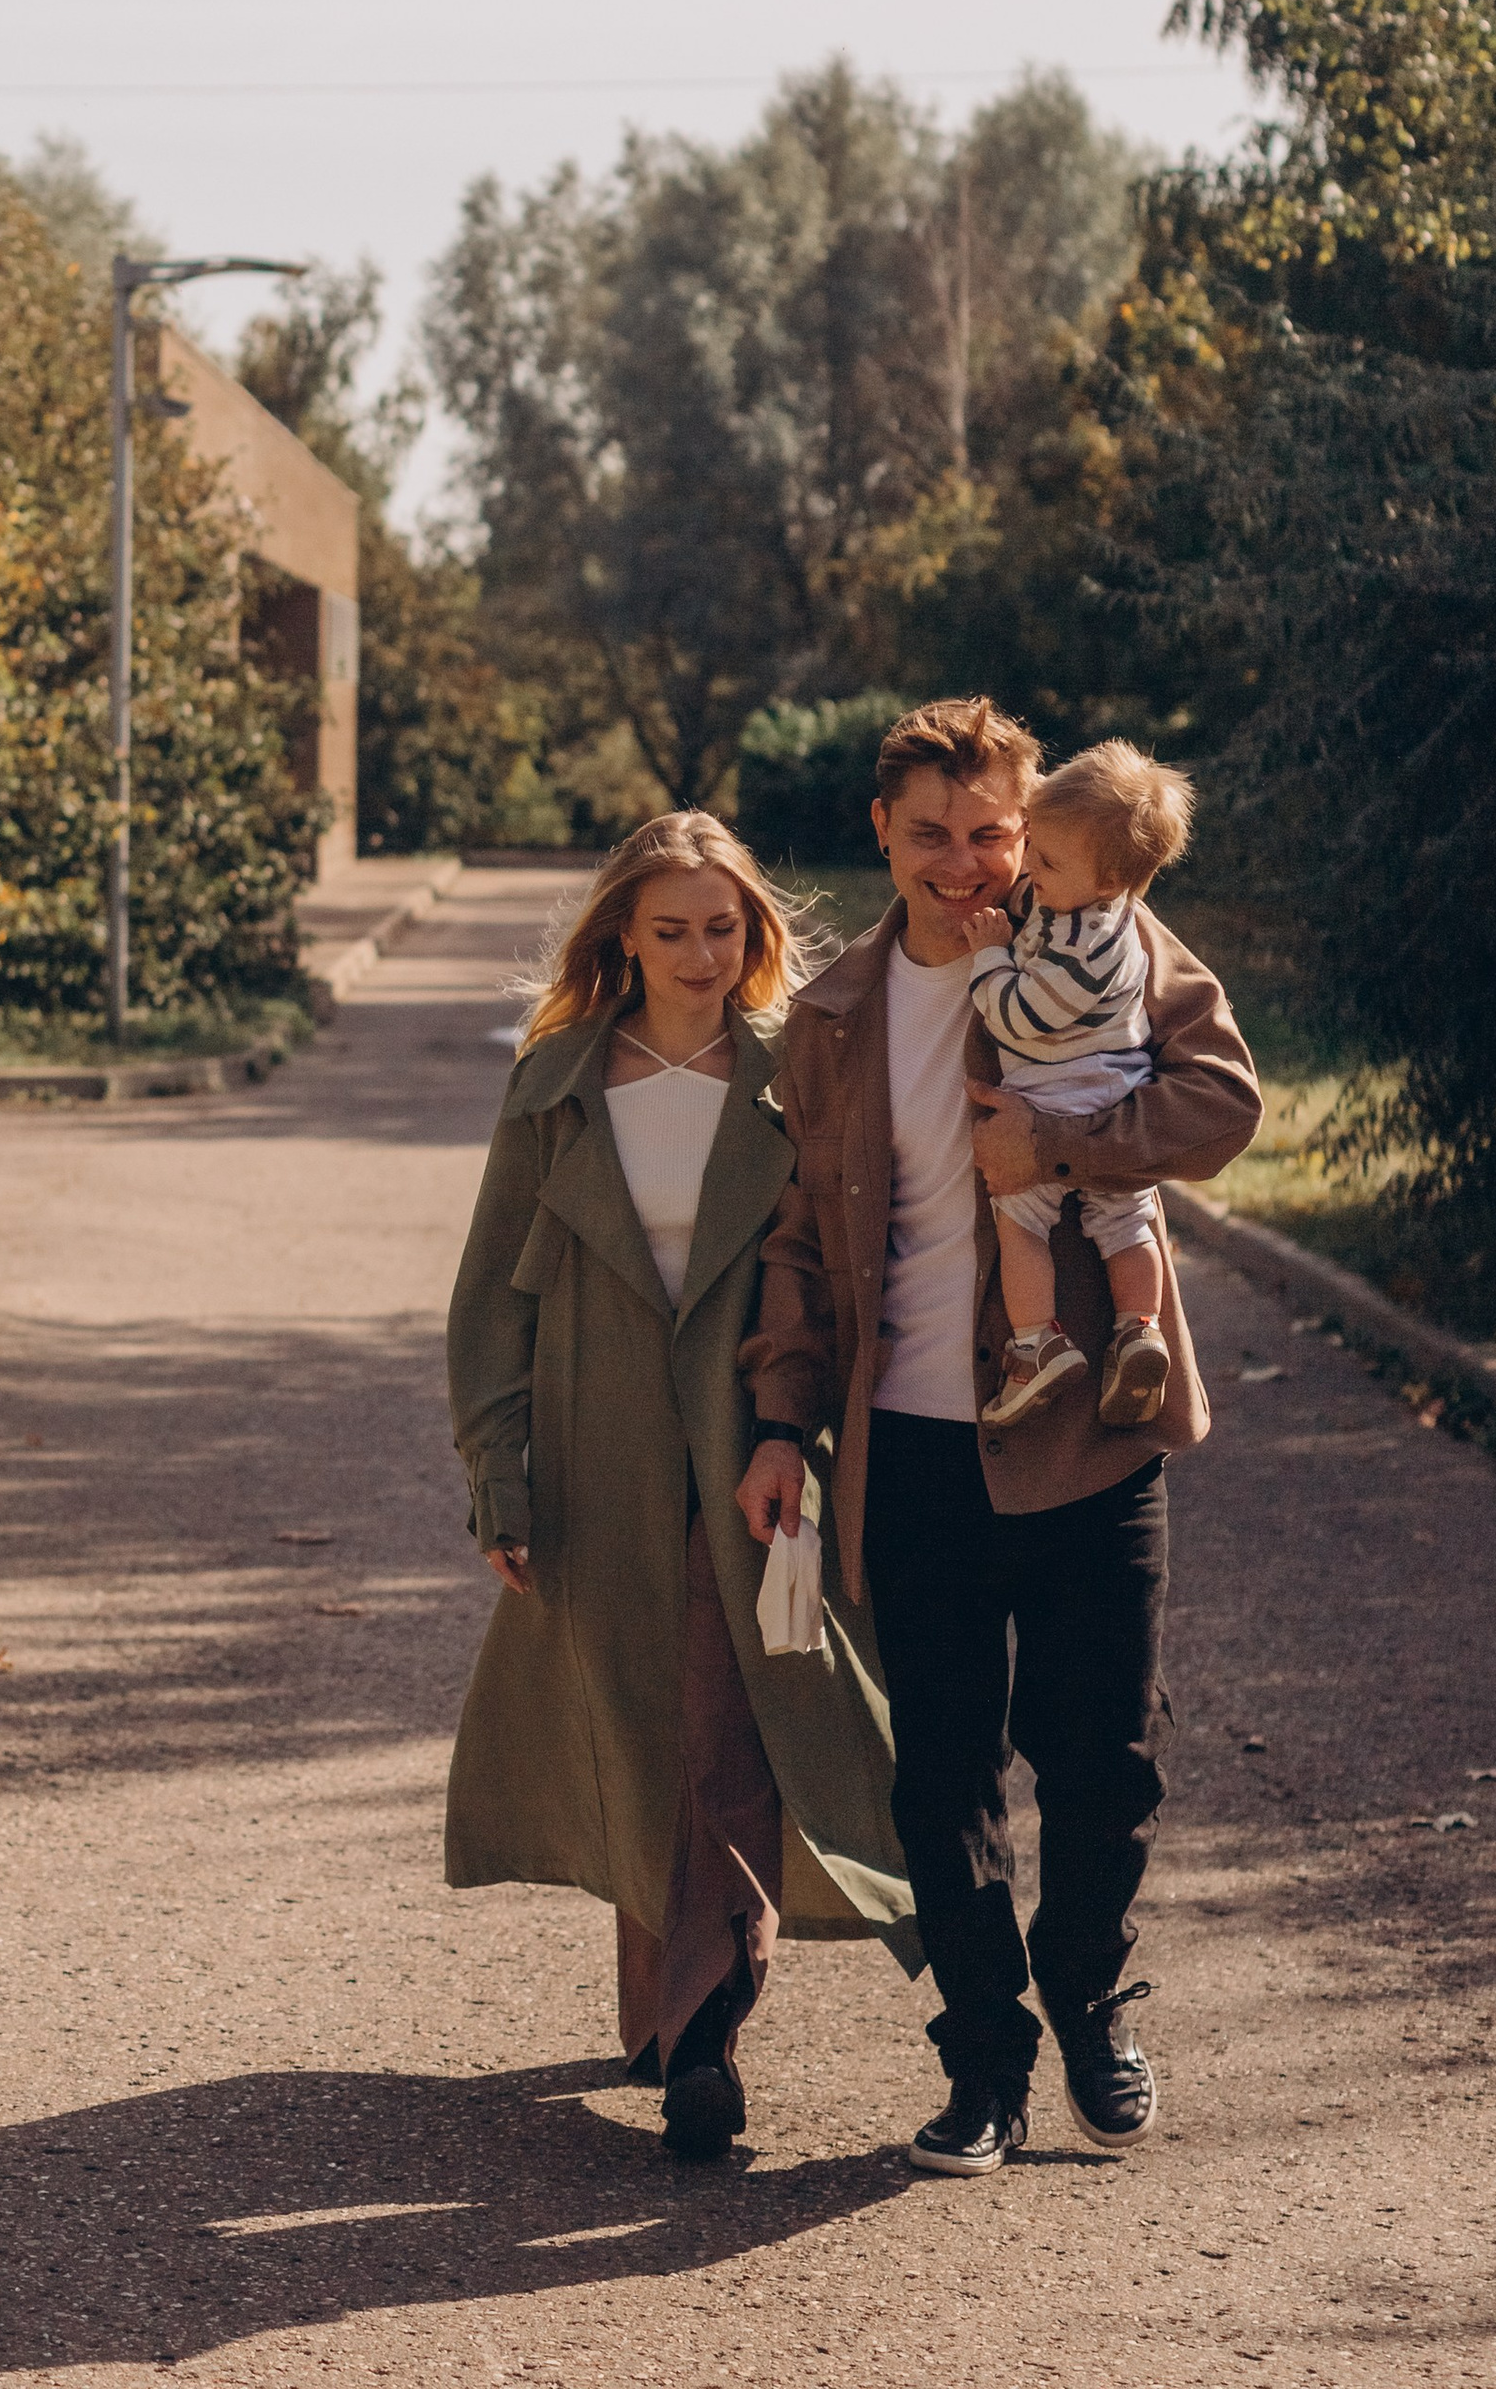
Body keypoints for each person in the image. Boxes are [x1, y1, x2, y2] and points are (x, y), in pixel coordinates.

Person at [734, 697, 1260, 2177]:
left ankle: (1089, 2000)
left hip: (1094, 1423)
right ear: (884, 840)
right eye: (931, 839)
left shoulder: (1114, 944)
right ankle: (986, 2057)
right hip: (907, 1441)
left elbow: (1222, 1101)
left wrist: (1068, 1151)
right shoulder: (836, 1017)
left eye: (989, 836)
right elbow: (795, 1240)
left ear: (1029, 833)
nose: (965, 866)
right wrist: (781, 1419)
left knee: (1105, 1754)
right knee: (942, 1766)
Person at [445, 813, 919, 2164]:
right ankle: (661, 2013)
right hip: (595, 1450)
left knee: (732, 1715)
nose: (703, 955)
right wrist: (503, 1476)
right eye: (673, 930)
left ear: (755, 935)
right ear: (622, 938)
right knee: (638, 1720)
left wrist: (817, 1432)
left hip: (758, 1445)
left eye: (726, 928)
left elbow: (847, 1267)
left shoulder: (802, 1075)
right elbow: (490, 1302)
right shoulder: (556, 1084)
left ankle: (705, 2031)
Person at [962, 743, 1197, 1435]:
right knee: (1126, 1223)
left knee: (1020, 1219)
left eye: (1048, 863)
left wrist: (988, 958)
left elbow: (1018, 1014)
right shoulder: (1084, 899)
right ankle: (1138, 1331)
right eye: (1031, 845)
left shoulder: (1088, 949)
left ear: (1111, 881)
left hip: (1061, 1102)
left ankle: (1037, 1343)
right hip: (1117, 1094)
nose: (1029, 868)